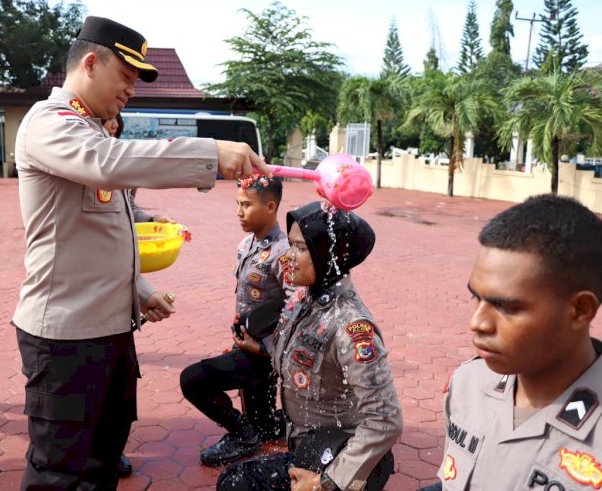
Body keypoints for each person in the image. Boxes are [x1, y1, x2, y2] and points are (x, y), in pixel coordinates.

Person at [12, 16, 269, 490]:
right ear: (90, 63)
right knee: (58, 471)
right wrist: (209, 154)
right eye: (126, 77)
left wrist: (139, 287)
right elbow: (107, 165)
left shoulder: (94, 132)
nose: (130, 90)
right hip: (66, 337)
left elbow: (105, 233)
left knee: (104, 459)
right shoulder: (49, 125)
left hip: (111, 329)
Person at [218, 201, 403, 491]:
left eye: (300, 248)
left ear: (328, 254)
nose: (288, 257)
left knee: (236, 484)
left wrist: (327, 483)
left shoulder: (351, 328)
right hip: (307, 444)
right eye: (290, 245)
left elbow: (385, 420)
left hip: (339, 453)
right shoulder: (305, 299)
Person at [422, 194, 602, 491]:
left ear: (580, 310)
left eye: (506, 307)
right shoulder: (469, 384)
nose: (477, 323)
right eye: (475, 297)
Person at [180, 174, 291, 467]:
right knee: (266, 426)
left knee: (193, 379)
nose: (239, 212)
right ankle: (261, 425)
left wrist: (265, 349)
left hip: (264, 353)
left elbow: (298, 310)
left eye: (247, 205)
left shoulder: (284, 252)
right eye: (238, 204)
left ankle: (243, 436)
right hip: (248, 345)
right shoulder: (247, 244)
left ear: (270, 207)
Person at [101, 113, 174, 478]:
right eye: (106, 121)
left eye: (116, 123)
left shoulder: (122, 164)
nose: (112, 127)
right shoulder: (79, 160)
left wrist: (149, 219)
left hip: (123, 288)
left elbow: (125, 213)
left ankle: (112, 450)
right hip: (87, 297)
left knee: (123, 379)